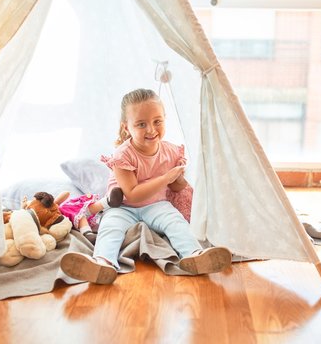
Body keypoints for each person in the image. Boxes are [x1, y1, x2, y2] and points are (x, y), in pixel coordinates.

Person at [60, 88, 232, 284]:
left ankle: (193, 255)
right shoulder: (123, 155)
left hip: (157, 205)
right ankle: (103, 262)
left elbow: (175, 188)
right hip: (123, 207)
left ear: (165, 119)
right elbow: (132, 194)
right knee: (110, 227)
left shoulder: (172, 151)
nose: (151, 129)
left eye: (157, 121)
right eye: (141, 124)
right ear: (127, 127)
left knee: (176, 222)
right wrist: (166, 177)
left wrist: (179, 178)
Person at [56, 188, 124, 243]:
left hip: (74, 209)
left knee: (88, 208)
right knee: (80, 216)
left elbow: (66, 193)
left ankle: (108, 202)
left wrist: (55, 202)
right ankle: (87, 234)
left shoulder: (55, 205)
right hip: (72, 217)